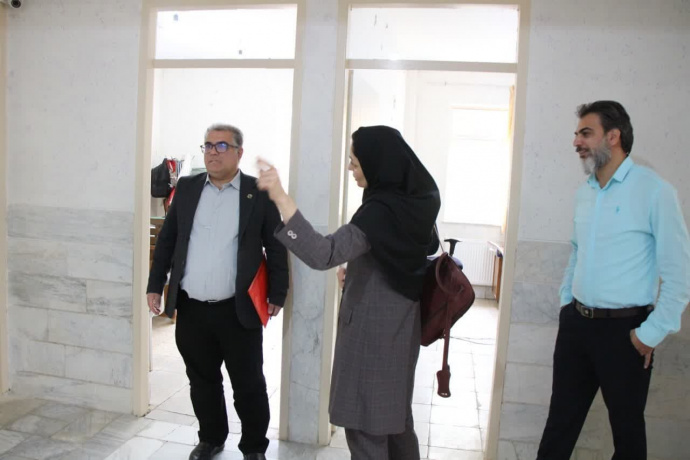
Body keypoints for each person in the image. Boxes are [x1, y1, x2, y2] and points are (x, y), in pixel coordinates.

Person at [257, 125, 440, 460]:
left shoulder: (379, 212)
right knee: (396, 424)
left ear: (378, 163)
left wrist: (281, 197)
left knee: (367, 429)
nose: (350, 168)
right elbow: (401, 259)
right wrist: (359, 271)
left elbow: (323, 254)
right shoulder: (416, 203)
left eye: (355, 162)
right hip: (400, 330)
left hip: (373, 338)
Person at [537, 101, 690, 460]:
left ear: (613, 136)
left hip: (625, 335)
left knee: (627, 434)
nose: (576, 141)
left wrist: (648, 335)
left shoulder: (655, 191)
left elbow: (680, 274)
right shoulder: (585, 192)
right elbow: (577, 253)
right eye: (577, 133)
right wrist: (566, 303)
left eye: (585, 133)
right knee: (559, 426)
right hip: (576, 327)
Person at [147, 123, 289, 460]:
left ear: (239, 152)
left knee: (248, 384)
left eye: (221, 146)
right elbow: (168, 239)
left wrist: (277, 293)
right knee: (202, 380)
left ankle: (253, 447)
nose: (212, 152)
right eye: (208, 146)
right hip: (192, 308)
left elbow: (276, 244)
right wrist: (155, 285)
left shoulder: (257, 192)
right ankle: (210, 438)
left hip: (238, 309)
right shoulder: (187, 187)